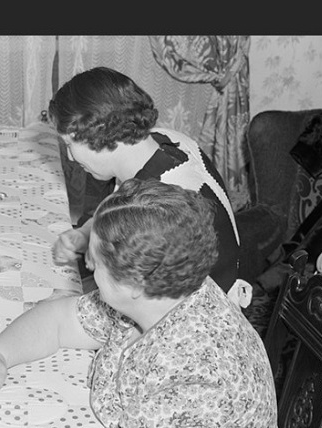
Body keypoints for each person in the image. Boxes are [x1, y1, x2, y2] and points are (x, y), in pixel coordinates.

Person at [0, 179, 279, 428]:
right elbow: (60, 320)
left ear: (132, 284)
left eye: (94, 263)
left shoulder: (194, 382)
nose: (87, 266)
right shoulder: (163, 292)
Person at [48, 67, 242, 294]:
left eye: (70, 145)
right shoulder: (160, 141)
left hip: (195, 314)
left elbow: (140, 300)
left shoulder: (159, 208)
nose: (70, 157)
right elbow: (119, 202)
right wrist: (84, 233)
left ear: (96, 133)